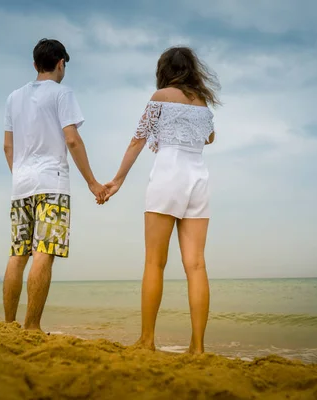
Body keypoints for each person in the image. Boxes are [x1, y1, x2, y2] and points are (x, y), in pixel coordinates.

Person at [105, 46, 220, 354]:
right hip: (198, 177)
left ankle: (147, 340)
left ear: (164, 71)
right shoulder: (203, 101)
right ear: (192, 70)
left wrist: (117, 180)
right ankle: (197, 347)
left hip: (169, 173)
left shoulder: (160, 97)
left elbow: (138, 139)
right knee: (196, 265)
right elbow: (209, 137)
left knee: (155, 262)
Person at [2, 38, 107, 332]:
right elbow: (72, 139)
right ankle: (32, 326)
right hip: (52, 183)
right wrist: (92, 182)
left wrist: (20, 174)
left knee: (17, 254)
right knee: (44, 251)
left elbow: (7, 147)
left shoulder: (13, 98)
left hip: (20, 185)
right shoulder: (62, 94)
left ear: (35, 65)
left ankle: (9, 325)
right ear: (61, 64)